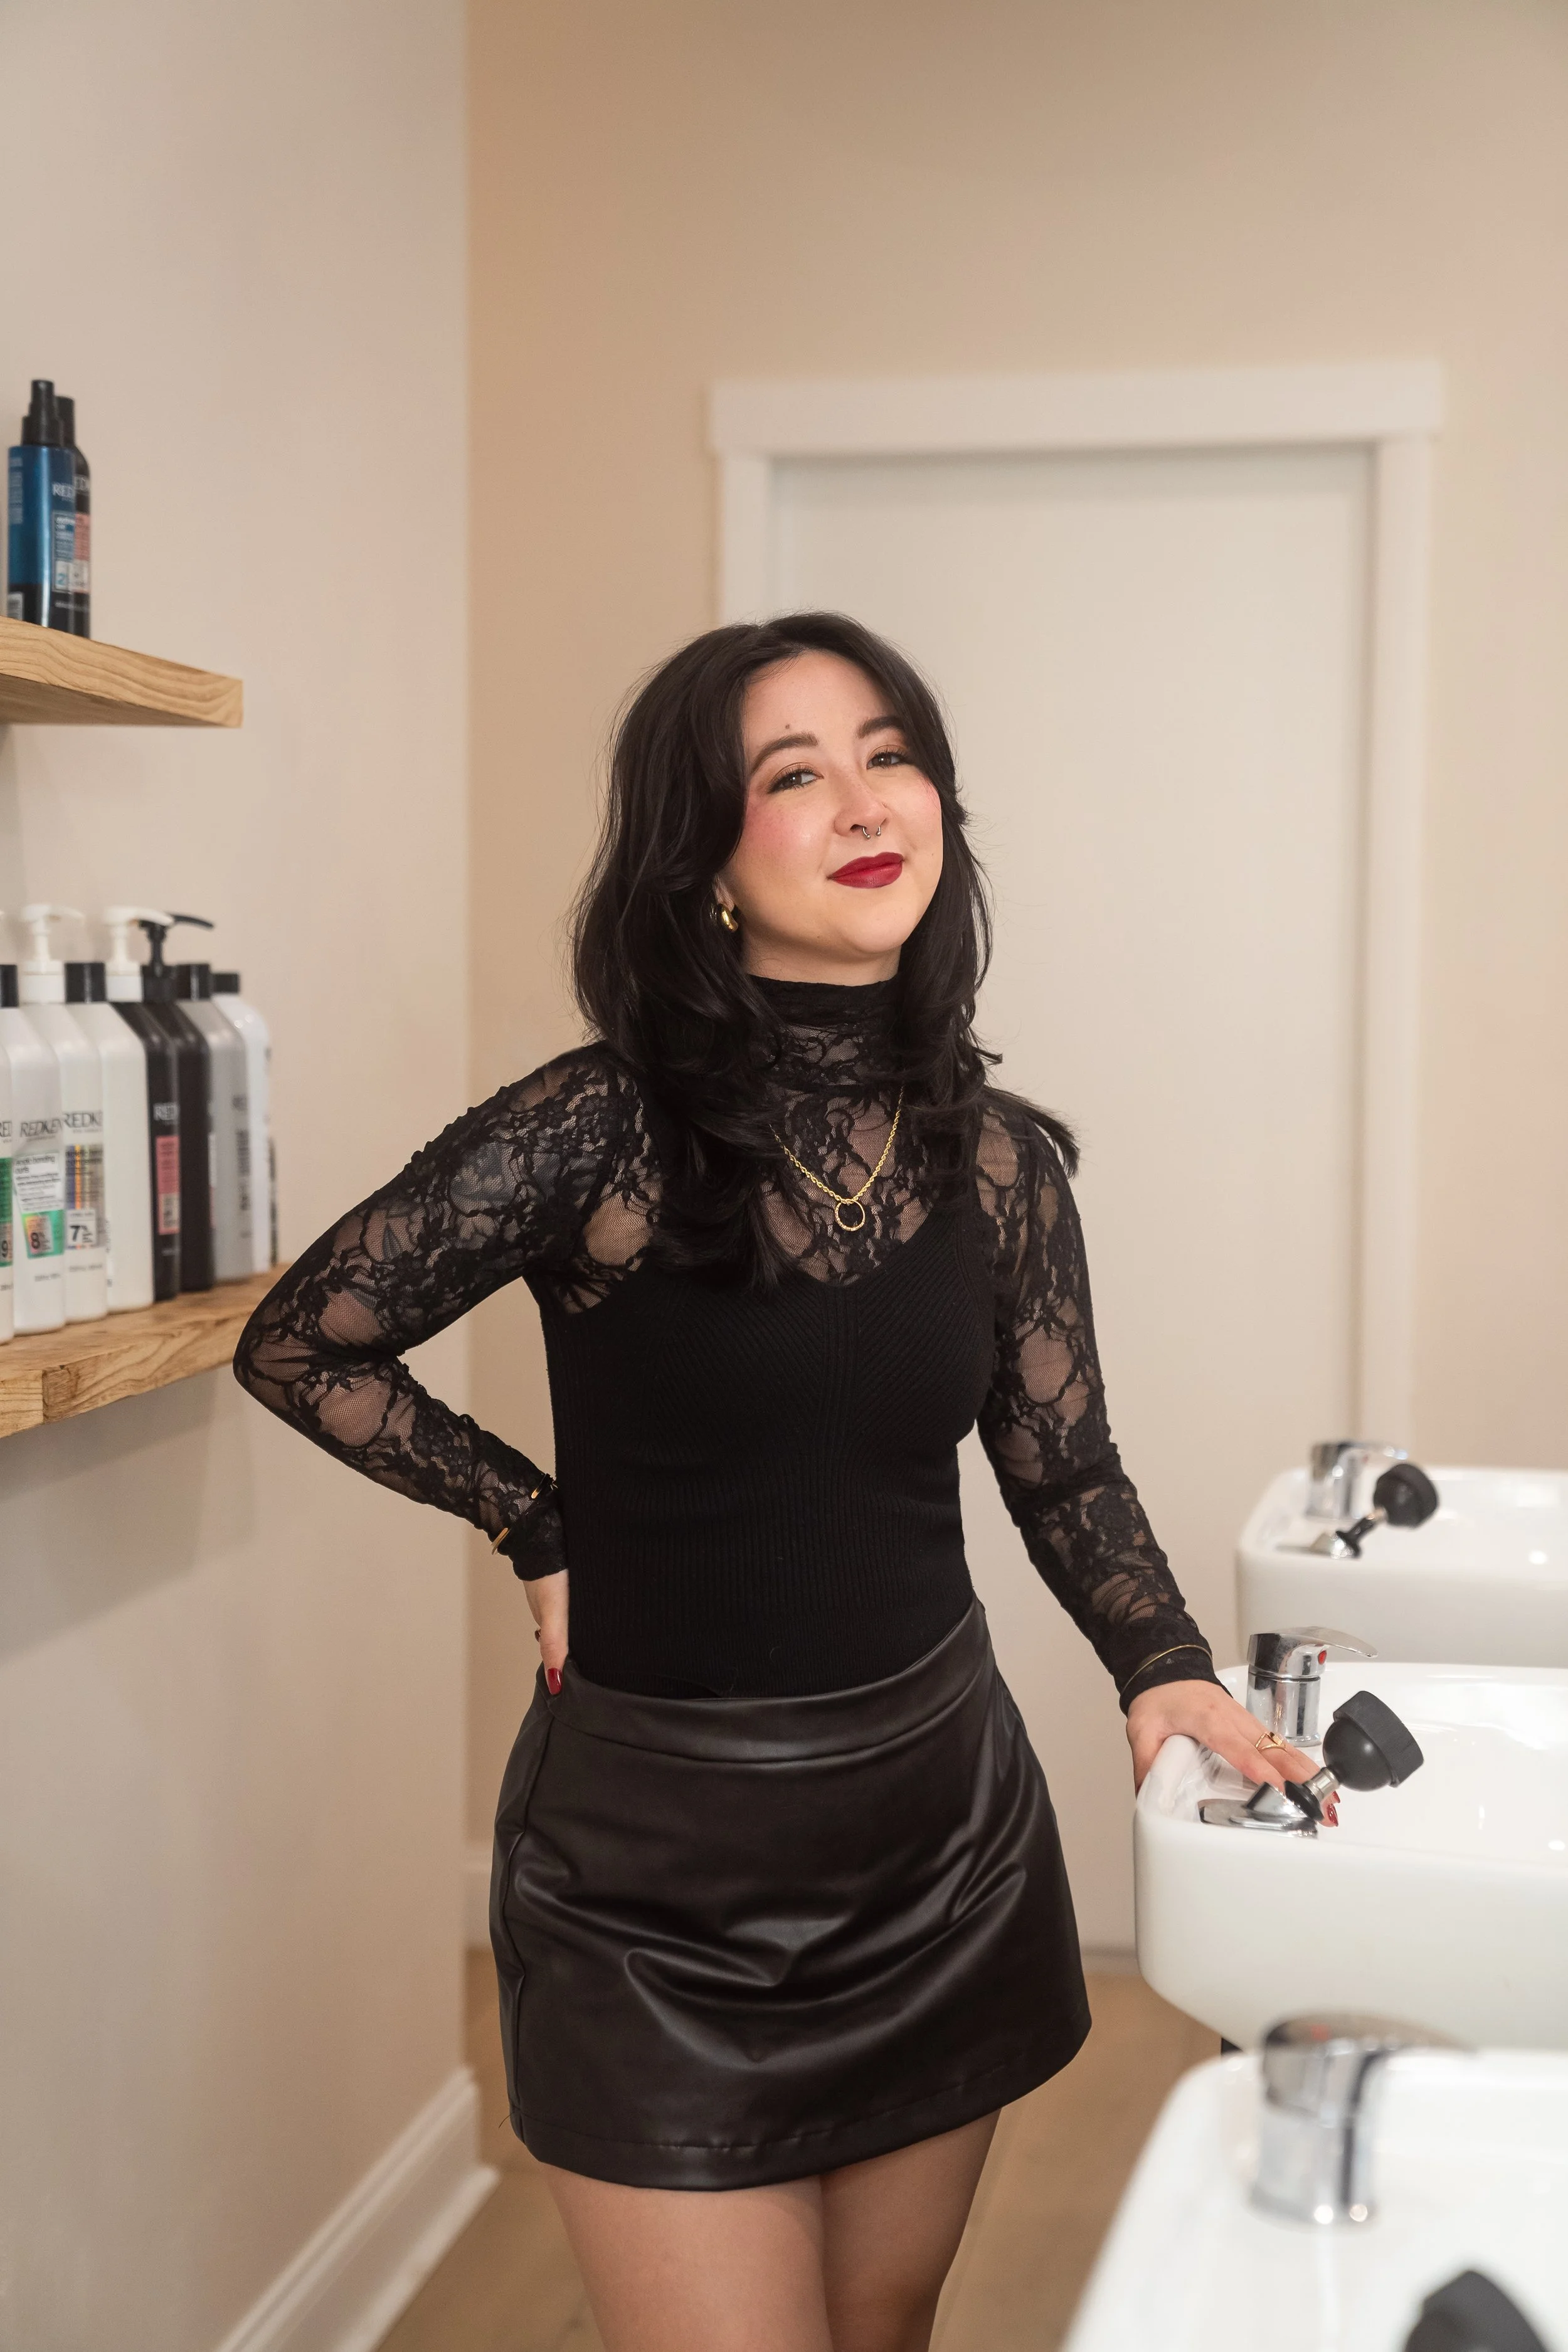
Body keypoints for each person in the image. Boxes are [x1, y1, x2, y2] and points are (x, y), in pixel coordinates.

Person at [234, 612, 1315, 2352]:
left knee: (880, 2334)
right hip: (649, 1891)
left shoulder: (1002, 1161)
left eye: (889, 754)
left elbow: (1062, 1462)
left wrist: (1162, 1660)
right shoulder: (592, 1131)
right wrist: (537, 1515)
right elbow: (306, 1342)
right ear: (704, 865)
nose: (861, 799)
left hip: (933, 1839)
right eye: (789, 775)